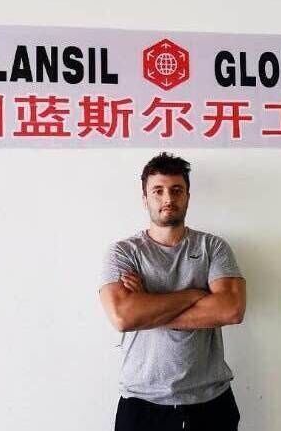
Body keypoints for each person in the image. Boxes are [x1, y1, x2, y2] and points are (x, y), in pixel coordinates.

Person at [98, 152, 247, 431]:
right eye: (158, 191)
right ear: (145, 199)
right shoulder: (124, 253)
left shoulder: (212, 247)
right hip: (142, 403)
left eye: (176, 190)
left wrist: (147, 306)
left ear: (188, 196)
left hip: (210, 402)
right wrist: (195, 295)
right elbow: (123, 317)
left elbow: (231, 310)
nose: (168, 198)